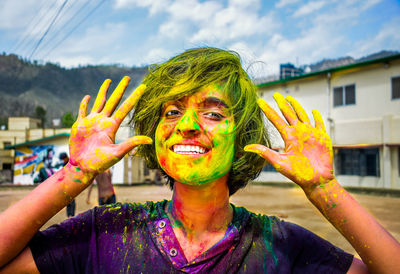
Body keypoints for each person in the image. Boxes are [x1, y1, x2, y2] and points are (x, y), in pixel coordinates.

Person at [0, 47, 399, 273]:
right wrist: (75, 173)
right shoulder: (104, 233)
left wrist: (324, 190)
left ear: (242, 135)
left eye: (213, 113)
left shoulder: (281, 245)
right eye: (171, 112)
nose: (187, 125)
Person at [58, 152, 76, 217]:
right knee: (67, 201)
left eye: (63, 159)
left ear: (66, 157)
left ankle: (72, 215)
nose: (63, 160)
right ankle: (69, 215)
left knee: (72, 200)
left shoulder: (71, 163)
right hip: (66, 184)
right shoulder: (64, 164)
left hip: (71, 183)